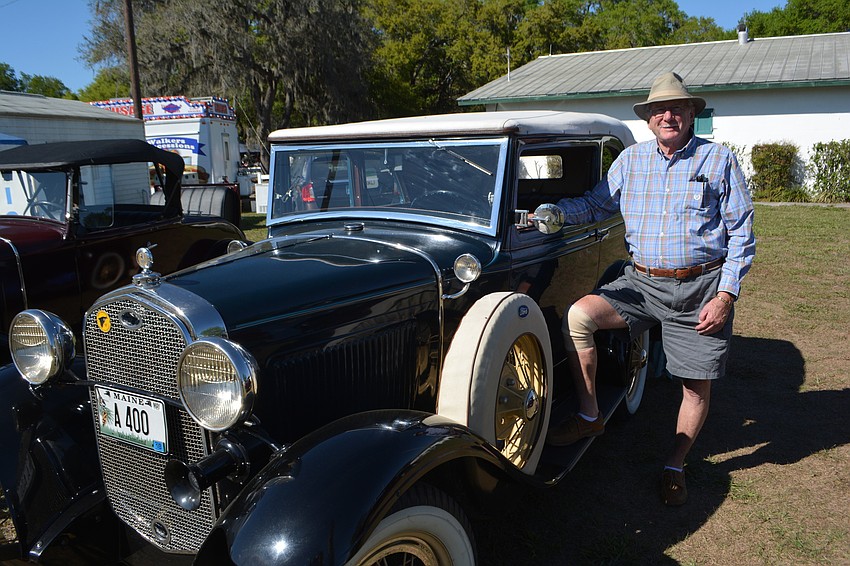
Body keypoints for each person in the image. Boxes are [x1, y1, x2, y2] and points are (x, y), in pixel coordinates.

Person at [545, 72, 755, 506]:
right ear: (648, 119)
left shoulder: (718, 160)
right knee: (579, 317)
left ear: (692, 113)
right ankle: (590, 415)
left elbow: (742, 233)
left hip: (700, 289)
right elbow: (595, 204)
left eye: (677, 108)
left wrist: (725, 295)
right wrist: (548, 213)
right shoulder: (630, 162)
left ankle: (675, 463)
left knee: (695, 386)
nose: (668, 114)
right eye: (659, 109)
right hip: (640, 283)